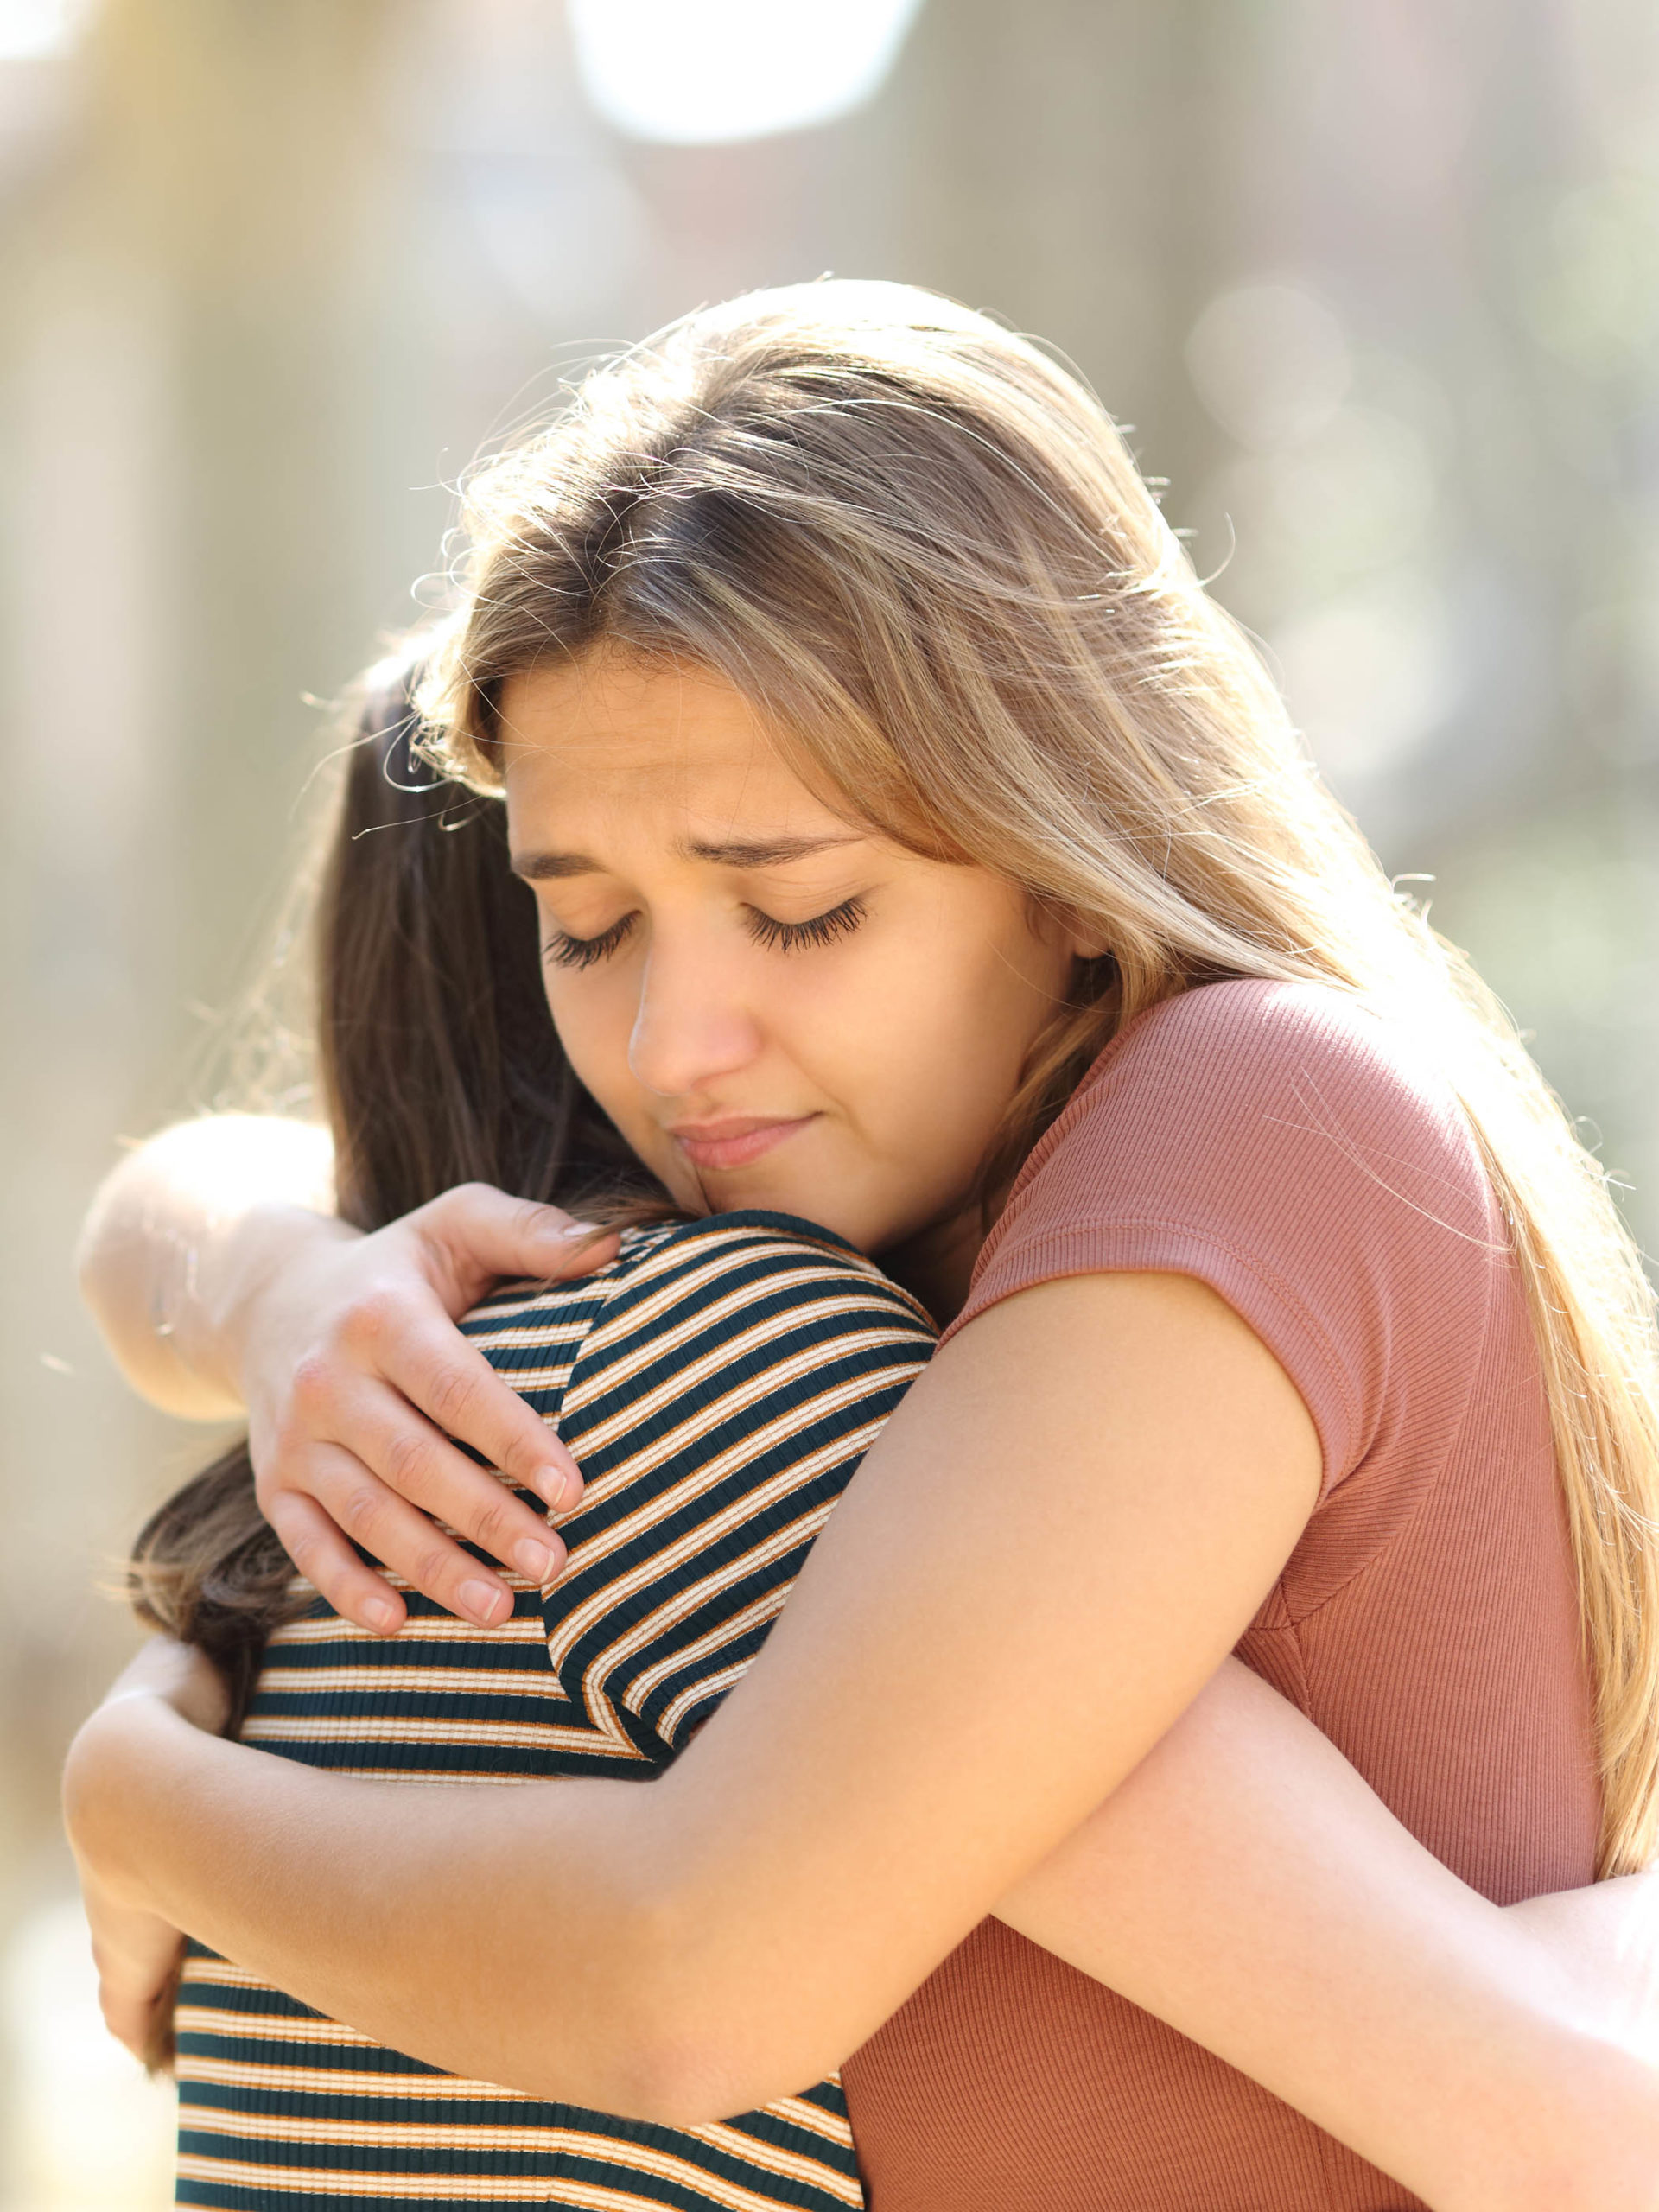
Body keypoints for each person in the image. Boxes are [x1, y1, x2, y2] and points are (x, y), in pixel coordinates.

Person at [65, 283, 1659, 2212]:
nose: (674, 1048)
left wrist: (149, 1804)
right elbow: (176, 1210)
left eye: (803, 912)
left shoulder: (1247, 1111)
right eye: (588, 928)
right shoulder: (887, 1258)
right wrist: (288, 1283)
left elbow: (699, 1978)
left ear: (1067, 854)